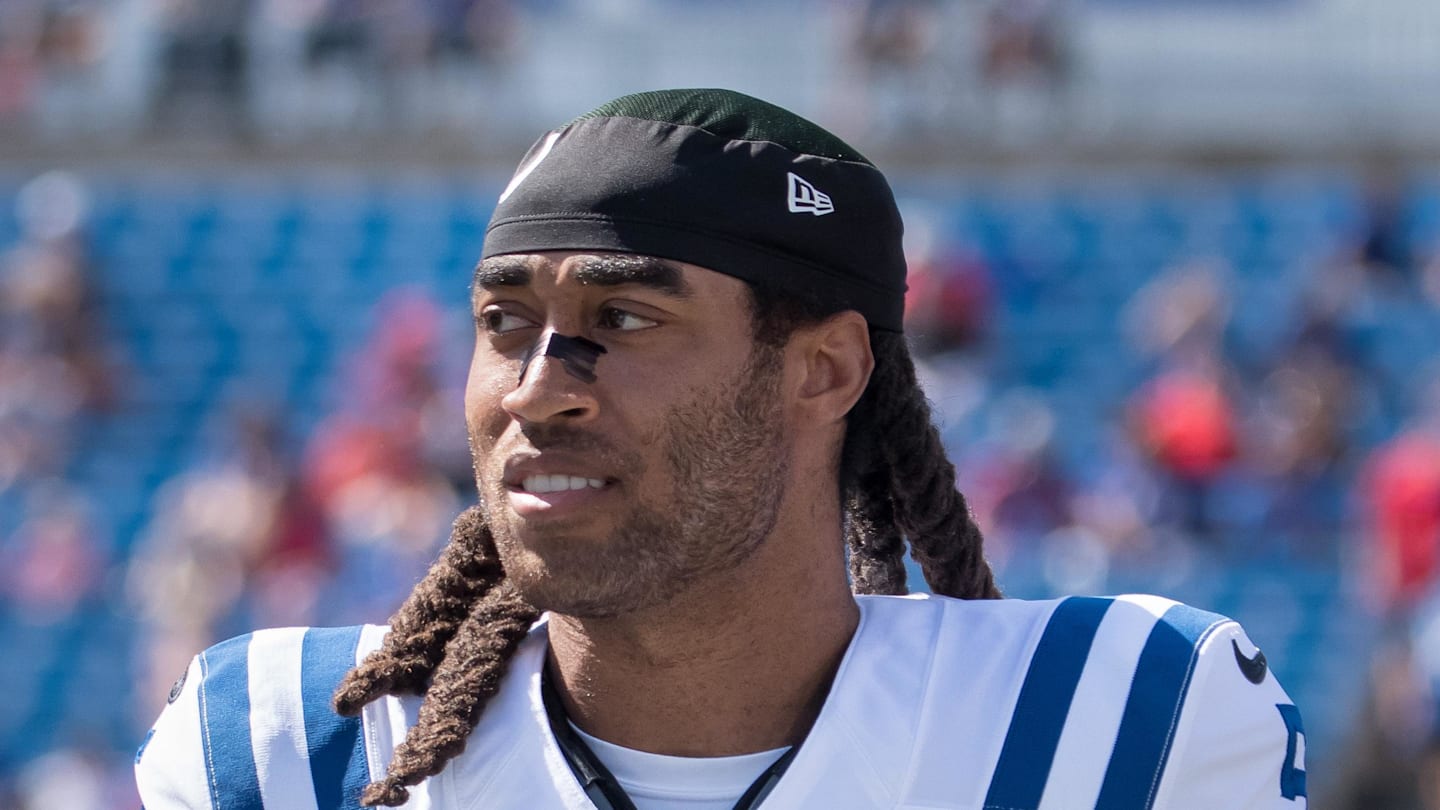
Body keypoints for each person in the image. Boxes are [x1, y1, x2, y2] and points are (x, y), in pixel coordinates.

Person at [135, 88, 1307, 809]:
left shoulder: (1117, 727)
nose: (539, 390)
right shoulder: (292, 752)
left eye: (624, 321)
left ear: (825, 371)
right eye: (504, 324)